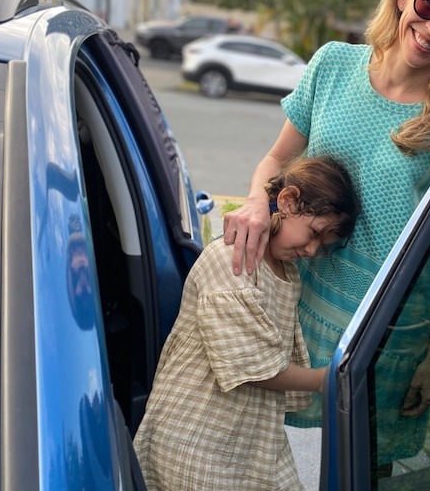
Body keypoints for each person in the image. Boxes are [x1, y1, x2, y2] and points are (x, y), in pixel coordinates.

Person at [223, 0, 430, 467]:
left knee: (357, 469)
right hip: (300, 306)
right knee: (275, 461)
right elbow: (275, 161)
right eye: (429, 5)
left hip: (388, 334)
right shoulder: (332, 65)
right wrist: (259, 203)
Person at [133, 155, 360, 491]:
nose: (312, 251)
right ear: (287, 201)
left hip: (250, 437)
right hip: (197, 437)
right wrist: (322, 380)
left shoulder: (288, 273)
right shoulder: (233, 259)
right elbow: (254, 364)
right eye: (314, 233)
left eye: (322, 245)